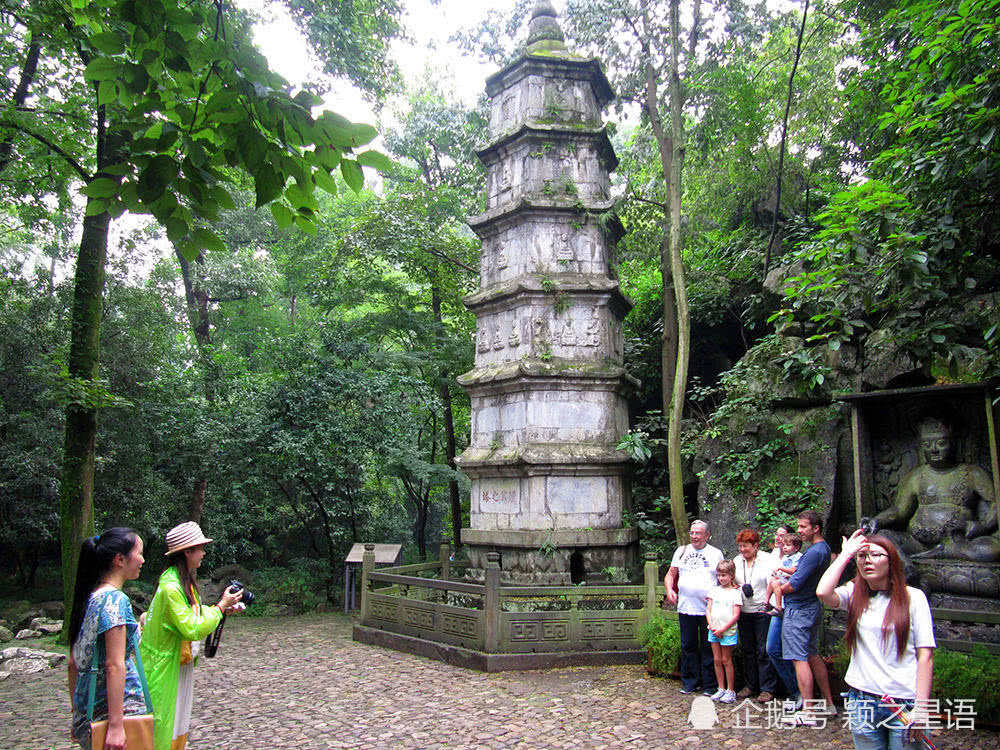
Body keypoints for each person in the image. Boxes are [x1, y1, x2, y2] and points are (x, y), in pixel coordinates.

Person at [817, 530, 936, 749]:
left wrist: (921, 707)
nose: (867, 561)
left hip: (903, 703)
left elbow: (925, 655)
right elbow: (823, 593)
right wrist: (845, 555)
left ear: (892, 561)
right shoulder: (855, 593)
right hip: (862, 699)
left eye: (876, 555)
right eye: (862, 557)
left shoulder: (913, 598)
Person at [141, 522, 242, 750]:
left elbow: (192, 615)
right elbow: (191, 627)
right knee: (164, 727)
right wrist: (220, 607)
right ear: (187, 552)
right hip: (164, 667)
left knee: (177, 726)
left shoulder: (181, 580)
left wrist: (221, 608)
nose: (203, 553)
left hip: (178, 663)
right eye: (200, 548)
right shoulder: (171, 587)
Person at [875, 415, 999, 561]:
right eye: (927, 445)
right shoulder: (916, 476)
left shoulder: (972, 473)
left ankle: (943, 552)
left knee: (992, 549)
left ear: (953, 443)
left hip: (959, 543)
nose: (934, 450)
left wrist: (983, 525)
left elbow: (995, 503)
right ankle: (908, 566)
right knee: (882, 537)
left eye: (941, 443)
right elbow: (899, 511)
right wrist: (876, 520)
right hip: (918, 543)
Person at [67, 528, 147, 750]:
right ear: (120, 559)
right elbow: (114, 665)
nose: (142, 559)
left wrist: (77, 714)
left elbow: (73, 663)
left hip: (87, 711)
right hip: (116, 712)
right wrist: (116, 725)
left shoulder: (90, 598)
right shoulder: (115, 600)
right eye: (139, 553)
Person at [779, 510, 836, 725]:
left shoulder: (814, 552)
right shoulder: (823, 549)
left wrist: (776, 590)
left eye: (803, 527)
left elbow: (795, 584)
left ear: (816, 528)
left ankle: (809, 711)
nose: (799, 531)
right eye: (799, 527)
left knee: (799, 657)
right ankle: (828, 704)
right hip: (811, 606)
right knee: (812, 654)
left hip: (799, 608)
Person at [665, 520, 724, 696]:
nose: (694, 536)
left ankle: (709, 685)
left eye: (698, 533)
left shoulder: (715, 554)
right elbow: (670, 574)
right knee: (688, 645)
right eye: (692, 533)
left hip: (708, 608)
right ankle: (689, 682)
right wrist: (669, 590)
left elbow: (724, 577)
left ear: (707, 535)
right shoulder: (682, 551)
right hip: (685, 607)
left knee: (709, 646)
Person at [732, 529, 778, 702]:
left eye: (746, 546)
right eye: (741, 546)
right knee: (748, 649)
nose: (743, 550)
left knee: (763, 649)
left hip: (762, 610)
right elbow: (732, 580)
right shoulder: (737, 561)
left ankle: (767, 687)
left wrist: (767, 603)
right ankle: (750, 684)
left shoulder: (767, 559)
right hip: (744, 610)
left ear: (756, 545)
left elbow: (773, 582)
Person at [706, 559, 742, 703]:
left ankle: (730, 689)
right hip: (713, 630)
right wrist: (713, 626)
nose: (721, 578)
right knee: (717, 659)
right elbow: (708, 610)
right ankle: (720, 687)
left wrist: (723, 629)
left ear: (731, 575)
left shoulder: (735, 592)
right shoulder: (714, 591)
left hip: (727, 631)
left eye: (724, 575)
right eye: (719, 575)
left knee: (726, 660)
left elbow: (736, 615)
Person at [766, 532, 803, 615]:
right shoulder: (786, 557)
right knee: (772, 579)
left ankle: (778, 606)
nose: (785, 548)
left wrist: (780, 568)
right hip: (784, 577)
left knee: (775, 583)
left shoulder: (798, 556)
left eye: (788, 545)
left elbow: (793, 570)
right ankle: (766, 602)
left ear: (796, 547)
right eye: (784, 545)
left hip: (791, 580)